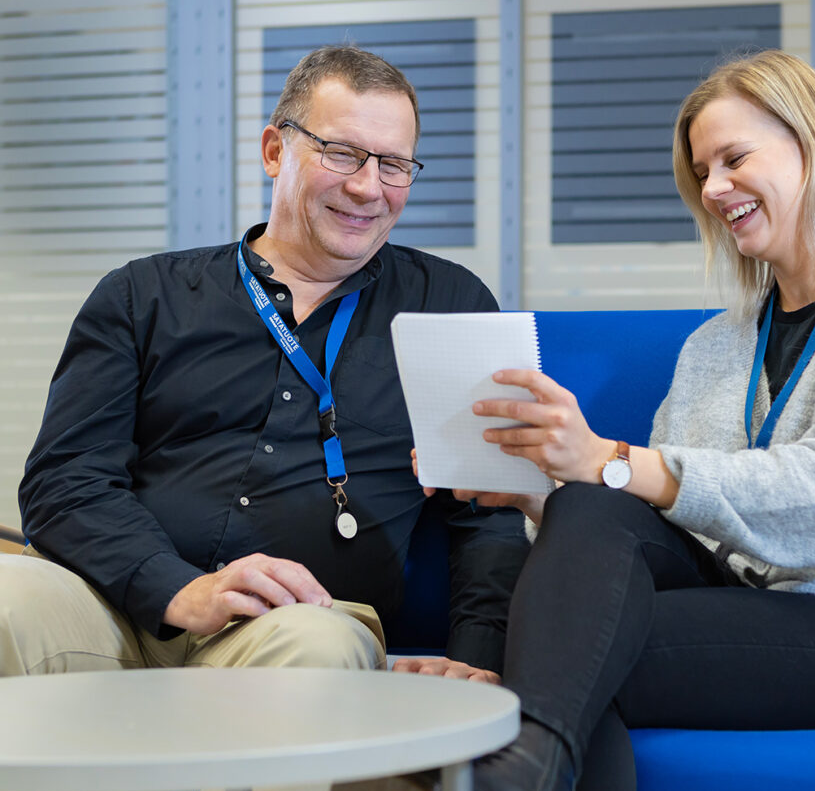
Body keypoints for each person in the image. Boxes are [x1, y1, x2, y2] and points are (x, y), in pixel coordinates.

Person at [435, 50, 815, 791]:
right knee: (591, 510)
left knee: (581, 652)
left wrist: (612, 458)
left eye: (734, 159)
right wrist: (544, 493)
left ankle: (515, 774)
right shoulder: (715, 345)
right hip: (749, 610)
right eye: (702, 172)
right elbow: (676, 525)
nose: (713, 189)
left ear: (813, 146)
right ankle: (521, 775)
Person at [2, 46, 528, 691]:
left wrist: (477, 655)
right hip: (116, 609)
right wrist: (179, 589)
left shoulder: (448, 303)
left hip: (298, 622)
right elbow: (64, 481)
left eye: (393, 164)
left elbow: (488, 511)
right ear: (275, 151)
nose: (368, 187)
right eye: (343, 153)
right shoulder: (142, 295)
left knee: (315, 647)